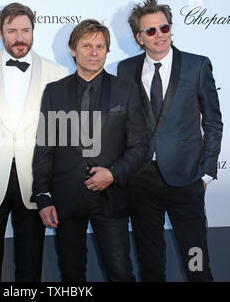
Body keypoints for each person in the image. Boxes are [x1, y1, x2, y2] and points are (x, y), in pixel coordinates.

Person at [31, 19, 150, 282]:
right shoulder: (54, 92)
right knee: (72, 274)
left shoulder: (126, 91)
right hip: (66, 199)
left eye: (100, 46)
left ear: (107, 51)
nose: (94, 52)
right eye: (86, 46)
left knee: (120, 271)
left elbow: (141, 145)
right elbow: (44, 148)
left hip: (111, 197)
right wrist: (43, 196)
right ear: (73, 49)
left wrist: (113, 173)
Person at [117, 0, 223, 282]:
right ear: (139, 37)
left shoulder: (196, 66)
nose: (159, 35)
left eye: (164, 28)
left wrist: (206, 174)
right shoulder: (126, 70)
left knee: (197, 262)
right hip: (141, 180)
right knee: (151, 265)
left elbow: (213, 122)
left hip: (186, 179)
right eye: (150, 31)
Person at [0, 2, 68, 282]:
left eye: (25, 30)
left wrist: (54, 185)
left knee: (31, 260)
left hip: (37, 180)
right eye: (12, 31)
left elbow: (60, 137)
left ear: (33, 31)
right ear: (0, 32)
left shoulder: (57, 73)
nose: (19, 37)